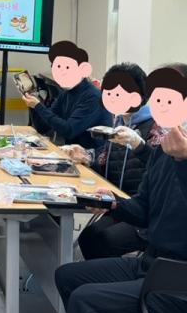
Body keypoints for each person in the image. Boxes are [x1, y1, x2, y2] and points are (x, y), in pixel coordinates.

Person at [54, 67, 187, 313]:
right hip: (150, 262)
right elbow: (144, 209)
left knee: (86, 299)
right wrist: (113, 203)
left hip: (177, 277)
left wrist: (183, 159)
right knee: (67, 275)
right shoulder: (162, 151)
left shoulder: (176, 153)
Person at [68, 63, 162, 259]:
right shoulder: (118, 123)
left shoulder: (156, 127)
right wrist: (87, 156)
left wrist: (138, 144)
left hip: (147, 209)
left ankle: (117, 275)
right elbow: (107, 159)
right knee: (89, 237)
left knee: (105, 241)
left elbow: (161, 168)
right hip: (120, 200)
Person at [24, 40, 111, 149]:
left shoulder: (93, 97)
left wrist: (38, 106)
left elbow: (69, 130)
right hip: (71, 152)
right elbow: (42, 127)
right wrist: (33, 105)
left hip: (91, 156)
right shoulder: (66, 93)